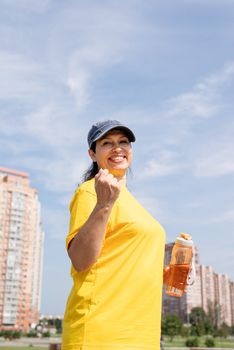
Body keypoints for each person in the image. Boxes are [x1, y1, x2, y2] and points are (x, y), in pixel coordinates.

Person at [62, 120, 166, 350]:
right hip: (102, 334)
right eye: (107, 143)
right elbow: (80, 259)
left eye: (123, 142)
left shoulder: (131, 201)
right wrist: (103, 205)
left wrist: (168, 274)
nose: (117, 148)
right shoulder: (90, 192)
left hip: (143, 334)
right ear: (92, 153)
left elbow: (125, 260)